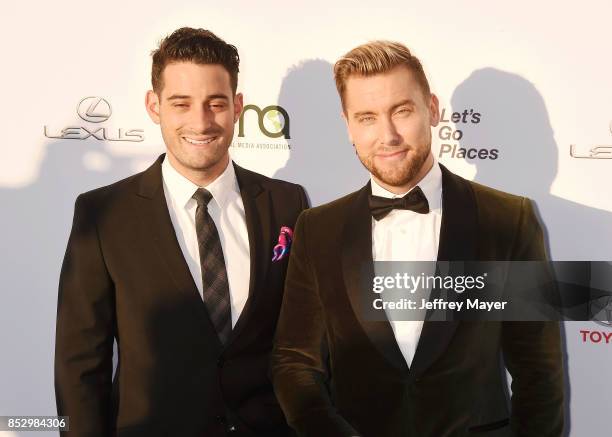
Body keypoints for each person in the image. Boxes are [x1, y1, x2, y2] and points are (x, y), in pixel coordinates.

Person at [270, 40, 563, 436]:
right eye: (367, 117)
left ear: (432, 109)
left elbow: (539, 373)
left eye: (401, 111)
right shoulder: (318, 229)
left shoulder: (508, 220)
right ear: (348, 124)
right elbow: (295, 362)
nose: (387, 134)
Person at [55, 27, 307, 437]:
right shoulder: (103, 214)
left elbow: (305, 345)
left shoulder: (287, 203)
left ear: (238, 106)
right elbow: (79, 364)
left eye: (215, 103)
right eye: (181, 103)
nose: (201, 121)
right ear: (154, 106)